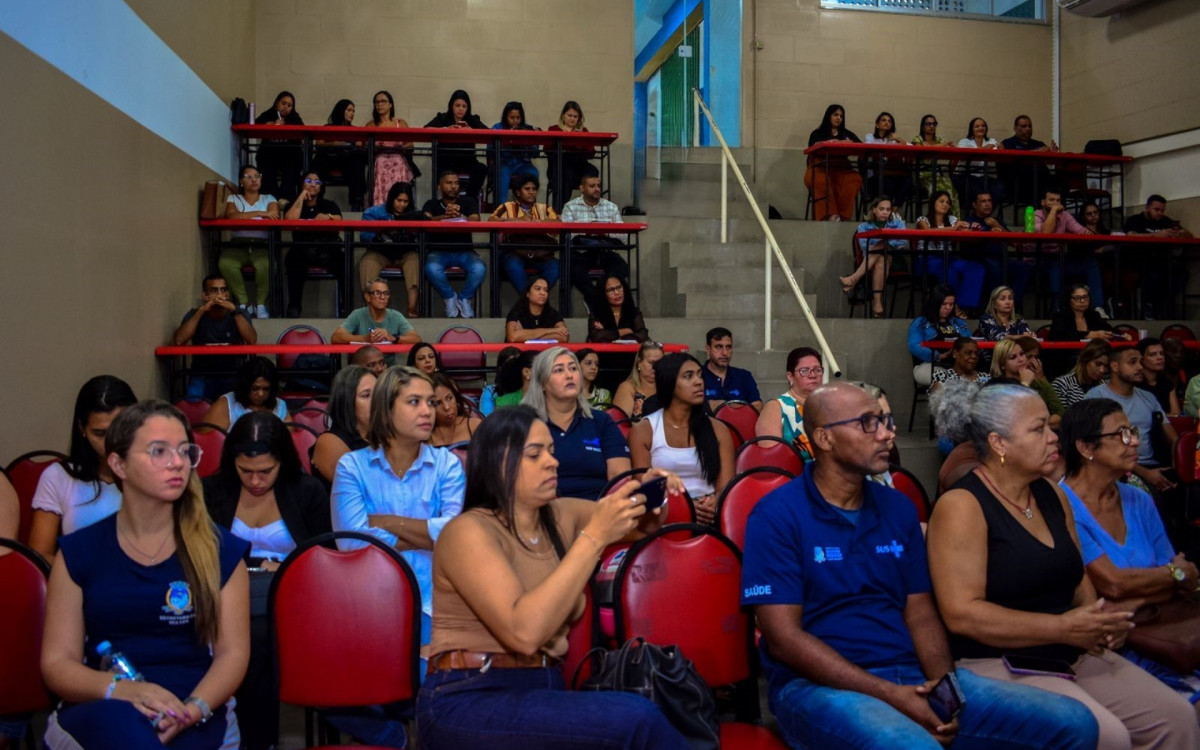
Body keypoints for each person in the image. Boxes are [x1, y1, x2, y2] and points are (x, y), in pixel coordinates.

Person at [741, 382, 1100, 750]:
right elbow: (784, 640)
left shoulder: (897, 508)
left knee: (1075, 723)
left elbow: (921, 615)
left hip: (909, 673)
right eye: (868, 423)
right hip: (816, 687)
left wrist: (946, 693)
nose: (886, 433)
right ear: (825, 438)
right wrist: (893, 697)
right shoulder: (776, 515)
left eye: (886, 420)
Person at [927, 384, 1198, 750]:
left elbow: (1076, 577)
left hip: (1071, 650)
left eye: (1049, 427)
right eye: (1038, 430)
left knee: (1176, 716)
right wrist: (1062, 627)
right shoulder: (963, 505)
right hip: (1000, 661)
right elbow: (963, 615)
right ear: (999, 443)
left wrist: (1098, 622)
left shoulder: (1052, 494)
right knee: (1109, 735)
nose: (1054, 438)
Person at [415, 406, 688, 750]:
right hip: (471, 694)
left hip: (543, 685)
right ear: (499, 462)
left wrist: (653, 492)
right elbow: (524, 633)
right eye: (534, 454)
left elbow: (642, 525)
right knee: (637, 718)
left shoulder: (561, 515)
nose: (552, 462)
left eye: (552, 451)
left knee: (638, 718)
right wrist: (593, 539)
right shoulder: (467, 531)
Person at [41, 400, 250, 750]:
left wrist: (193, 709)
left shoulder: (219, 550)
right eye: (159, 451)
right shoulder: (80, 552)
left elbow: (233, 655)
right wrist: (121, 690)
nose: (177, 462)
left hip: (192, 705)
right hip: (105, 701)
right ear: (118, 464)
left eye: (185, 451)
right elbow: (57, 664)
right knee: (125, 731)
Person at [201, 411, 332, 750]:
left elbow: (325, 555)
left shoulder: (306, 491)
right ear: (232, 463)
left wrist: (288, 567)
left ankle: (255, 740)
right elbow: (196, 552)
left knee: (256, 635)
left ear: (282, 462)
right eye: (246, 471)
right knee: (244, 632)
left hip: (290, 601)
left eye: (265, 472)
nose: (256, 481)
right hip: (224, 598)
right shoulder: (212, 491)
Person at [1059, 399, 1200, 706]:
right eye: (1121, 434)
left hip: (1162, 632)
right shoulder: (1062, 506)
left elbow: (1180, 579)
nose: (1134, 441)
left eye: (1133, 431)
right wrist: (1171, 576)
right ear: (1086, 448)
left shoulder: (1138, 498)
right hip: (1111, 648)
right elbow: (1112, 583)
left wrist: (1139, 596)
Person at [331, 366, 466, 660]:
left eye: (430, 402)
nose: (428, 411)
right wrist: (428, 534)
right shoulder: (351, 467)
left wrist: (386, 523)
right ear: (386, 409)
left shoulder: (448, 465)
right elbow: (351, 542)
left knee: (426, 690)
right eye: (414, 402)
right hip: (369, 604)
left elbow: (455, 537)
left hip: (435, 603)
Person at [29, 376, 137, 560]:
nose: (112, 441)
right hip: (82, 582)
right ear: (82, 429)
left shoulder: (154, 472)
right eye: (100, 434)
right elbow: (40, 554)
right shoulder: (58, 476)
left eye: (121, 429)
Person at [630, 353, 735, 524]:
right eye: (688, 376)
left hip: (710, 517)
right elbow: (645, 490)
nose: (698, 381)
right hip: (664, 517)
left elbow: (726, 488)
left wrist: (715, 504)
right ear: (669, 384)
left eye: (700, 375)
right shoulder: (644, 431)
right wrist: (683, 507)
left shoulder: (719, 430)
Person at [522, 347, 630, 501]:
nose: (569, 375)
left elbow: (620, 480)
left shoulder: (601, 421)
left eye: (573, 368)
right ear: (542, 383)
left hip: (599, 510)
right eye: (559, 370)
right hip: (544, 511)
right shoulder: (525, 423)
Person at [1085, 347, 1178, 494]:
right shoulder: (1096, 397)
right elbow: (1100, 447)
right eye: (1132, 362)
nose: (1140, 367)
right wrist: (1146, 474)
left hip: (1153, 465)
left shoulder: (1148, 397)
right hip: (1116, 468)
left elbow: (1173, 438)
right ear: (1115, 366)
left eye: (1140, 362)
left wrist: (1175, 469)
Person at [173, 274, 257, 401]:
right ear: (204, 295)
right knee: (193, 402)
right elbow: (179, 340)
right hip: (201, 373)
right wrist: (201, 311)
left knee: (237, 402)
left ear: (228, 295)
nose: (219, 295)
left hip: (231, 373)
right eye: (214, 290)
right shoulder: (194, 313)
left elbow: (251, 340)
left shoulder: (239, 313)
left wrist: (235, 311)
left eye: (223, 290)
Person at [559, 166, 630, 304]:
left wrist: (606, 231)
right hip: (582, 253)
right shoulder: (570, 207)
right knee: (573, 269)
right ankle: (595, 300)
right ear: (582, 188)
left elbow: (624, 236)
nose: (597, 189)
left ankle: (597, 299)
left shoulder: (611, 207)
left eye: (598, 185)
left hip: (605, 251)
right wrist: (588, 230)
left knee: (622, 269)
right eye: (592, 186)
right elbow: (565, 235)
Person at [1028, 188, 1105, 313]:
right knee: (1056, 264)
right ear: (1043, 202)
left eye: (1058, 200)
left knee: (1091, 263)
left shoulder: (1065, 215)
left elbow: (1081, 230)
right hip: (1036, 259)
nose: (1056, 203)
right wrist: (1053, 211)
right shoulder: (1034, 215)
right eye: (1051, 200)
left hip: (1058, 258)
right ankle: (1057, 309)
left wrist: (1087, 233)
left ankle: (1098, 307)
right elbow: (1046, 232)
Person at [422, 170, 486, 319]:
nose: (453, 186)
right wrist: (445, 217)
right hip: (438, 251)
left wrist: (460, 216)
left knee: (479, 268)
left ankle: (464, 298)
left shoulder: (468, 202)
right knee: (431, 268)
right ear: (439, 186)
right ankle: (450, 298)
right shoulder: (431, 204)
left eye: (456, 183)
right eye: (449, 183)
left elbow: (475, 220)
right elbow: (425, 221)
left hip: (464, 251)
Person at [220, 165, 279, 319]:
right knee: (226, 262)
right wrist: (260, 213)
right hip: (239, 243)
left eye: (257, 176)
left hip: (262, 244)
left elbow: (274, 215)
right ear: (241, 181)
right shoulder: (233, 198)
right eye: (249, 177)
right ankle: (244, 303)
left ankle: (260, 305)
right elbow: (232, 216)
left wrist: (246, 215)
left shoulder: (269, 198)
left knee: (265, 264)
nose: (254, 180)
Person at [360, 181, 424, 318]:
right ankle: (371, 309)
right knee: (367, 262)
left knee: (415, 261)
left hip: (405, 253)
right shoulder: (373, 212)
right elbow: (364, 236)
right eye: (399, 200)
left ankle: (412, 309)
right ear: (391, 199)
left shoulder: (415, 215)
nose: (402, 204)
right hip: (380, 252)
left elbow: (421, 236)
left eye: (405, 201)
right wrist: (383, 230)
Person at [1123, 195, 1194, 319]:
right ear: (1147, 208)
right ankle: (1149, 307)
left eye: (1162, 210)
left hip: (1163, 260)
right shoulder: (1135, 220)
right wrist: (1157, 236)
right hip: (1141, 259)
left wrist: (1180, 234)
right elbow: (1130, 235)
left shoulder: (1165, 221)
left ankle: (1165, 311)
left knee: (1181, 273)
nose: (1160, 213)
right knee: (1155, 274)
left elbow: (1190, 236)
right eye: (1156, 210)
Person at [283, 171, 343, 317]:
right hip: (303, 248)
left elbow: (340, 220)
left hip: (327, 248)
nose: (313, 185)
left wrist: (328, 217)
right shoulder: (293, 204)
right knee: (293, 259)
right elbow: (289, 221)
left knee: (343, 260)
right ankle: (294, 307)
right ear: (302, 184)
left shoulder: (329, 204)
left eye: (317, 182)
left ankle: (345, 306)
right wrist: (301, 198)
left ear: (321, 187)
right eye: (309, 181)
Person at [489, 174, 561, 296]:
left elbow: (558, 223)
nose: (531, 192)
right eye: (527, 189)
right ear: (518, 192)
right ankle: (530, 300)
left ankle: (535, 298)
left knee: (556, 266)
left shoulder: (544, 208)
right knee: (513, 264)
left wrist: (537, 222)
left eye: (534, 189)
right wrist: (517, 220)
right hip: (516, 253)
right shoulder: (507, 207)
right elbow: (491, 221)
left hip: (541, 255)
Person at [913, 191, 984, 313]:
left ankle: (963, 306)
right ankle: (953, 308)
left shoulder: (952, 220)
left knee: (975, 268)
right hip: (927, 259)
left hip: (949, 258)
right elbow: (928, 232)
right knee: (949, 272)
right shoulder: (922, 219)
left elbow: (964, 231)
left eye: (947, 202)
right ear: (932, 203)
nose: (945, 204)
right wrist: (954, 229)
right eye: (941, 201)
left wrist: (973, 228)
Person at [756, 347, 824, 462]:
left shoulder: (829, 405)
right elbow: (772, 460)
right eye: (804, 371)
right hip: (794, 476)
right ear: (790, 376)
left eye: (817, 369)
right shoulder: (776, 408)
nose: (813, 375)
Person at [311, 365, 374, 488]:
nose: (377, 400)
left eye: (379, 393)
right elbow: (367, 489)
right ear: (346, 401)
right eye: (366, 395)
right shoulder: (329, 442)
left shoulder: (387, 434)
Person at [962, 191, 1030, 306]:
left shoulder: (996, 221)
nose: (987, 204)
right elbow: (971, 239)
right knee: (994, 268)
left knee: (1023, 268)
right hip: (979, 258)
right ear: (974, 205)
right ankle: (994, 308)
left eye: (989, 201)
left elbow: (1013, 242)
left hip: (1000, 258)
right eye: (983, 201)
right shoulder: (969, 221)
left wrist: (996, 226)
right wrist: (988, 232)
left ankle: (1011, 305)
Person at [330, 278, 420, 363]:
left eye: (386, 293)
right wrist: (364, 339)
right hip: (362, 369)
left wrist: (394, 338)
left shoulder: (395, 316)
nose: (382, 297)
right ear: (368, 297)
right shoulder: (357, 314)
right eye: (377, 293)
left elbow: (416, 339)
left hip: (388, 371)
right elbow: (336, 337)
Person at [843, 196, 905, 318]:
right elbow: (866, 249)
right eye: (882, 209)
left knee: (881, 245)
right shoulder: (863, 227)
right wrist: (883, 245)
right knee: (880, 259)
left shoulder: (898, 224)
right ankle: (877, 302)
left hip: (895, 260)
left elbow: (902, 243)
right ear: (874, 209)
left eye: (888, 209)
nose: (885, 212)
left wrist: (886, 244)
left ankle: (854, 278)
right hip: (871, 262)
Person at [424, 89, 488, 199]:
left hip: (467, 160)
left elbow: (488, 133)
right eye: (457, 105)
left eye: (464, 106)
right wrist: (446, 129)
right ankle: (444, 202)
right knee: (439, 168)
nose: (461, 109)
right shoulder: (442, 118)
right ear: (451, 106)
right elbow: (426, 129)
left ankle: (469, 199)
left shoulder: (473, 119)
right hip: (446, 159)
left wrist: (471, 130)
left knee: (481, 168)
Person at [804, 104, 863, 222]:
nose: (839, 118)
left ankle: (843, 216)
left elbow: (860, 146)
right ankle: (831, 215)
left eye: (841, 116)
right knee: (820, 180)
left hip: (842, 167)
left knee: (854, 179)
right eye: (835, 115)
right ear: (828, 116)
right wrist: (830, 142)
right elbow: (812, 147)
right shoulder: (817, 133)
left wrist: (844, 143)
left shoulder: (847, 134)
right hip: (820, 166)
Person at [200, 356, 290, 431]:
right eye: (255, 388)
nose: (261, 394)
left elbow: (288, 445)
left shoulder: (280, 407)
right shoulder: (226, 404)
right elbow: (210, 443)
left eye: (266, 389)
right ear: (245, 386)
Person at [990, 338, 1064, 428]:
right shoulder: (996, 387)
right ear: (1002, 365)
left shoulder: (1041, 384)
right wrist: (1025, 384)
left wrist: (1035, 425)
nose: (1021, 359)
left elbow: (1060, 416)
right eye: (1013, 357)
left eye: (1022, 354)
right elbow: (1013, 419)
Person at [907, 286, 972, 387]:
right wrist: (939, 356)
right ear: (935, 303)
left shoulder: (959, 323)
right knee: (949, 379)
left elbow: (970, 343)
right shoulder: (921, 322)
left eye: (951, 304)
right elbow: (914, 346)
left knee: (978, 379)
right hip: (929, 365)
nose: (948, 308)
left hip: (957, 365)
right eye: (944, 304)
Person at [313, 98, 365, 211]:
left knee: (357, 162)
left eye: (353, 111)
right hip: (329, 158)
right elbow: (319, 144)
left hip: (347, 159)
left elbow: (359, 145)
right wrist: (335, 143)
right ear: (341, 110)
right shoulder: (327, 127)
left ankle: (356, 201)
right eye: (349, 110)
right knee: (318, 162)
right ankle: (317, 198)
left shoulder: (355, 130)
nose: (352, 114)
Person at [367, 90, 415, 208]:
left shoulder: (401, 123)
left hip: (398, 159)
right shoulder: (371, 125)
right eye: (377, 102)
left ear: (390, 104)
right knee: (379, 163)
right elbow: (365, 146)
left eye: (383, 101)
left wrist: (399, 147)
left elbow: (411, 145)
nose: (380, 104)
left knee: (399, 165)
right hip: (380, 160)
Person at [254, 90, 304, 200]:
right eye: (283, 103)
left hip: (289, 154)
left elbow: (302, 131)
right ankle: (270, 199)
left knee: (292, 169)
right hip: (270, 153)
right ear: (277, 103)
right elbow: (255, 124)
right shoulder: (269, 114)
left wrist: (286, 126)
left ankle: (285, 199)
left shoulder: (294, 117)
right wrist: (270, 124)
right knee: (266, 169)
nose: (285, 107)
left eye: (289, 105)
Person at [1001, 115, 1058, 208]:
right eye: (1024, 126)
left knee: (1061, 182)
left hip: (1042, 180)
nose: (1028, 129)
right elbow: (1015, 159)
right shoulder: (1008, 143)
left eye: (1029, 126)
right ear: (1015, 128)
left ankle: (1059, 215)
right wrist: (1038, 152)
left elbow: (1050, 162)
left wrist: (1054, 155)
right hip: (1019, 182)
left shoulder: (1038, 144)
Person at [490, 101, 540, 208]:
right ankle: (501, 209)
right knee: (502, 172)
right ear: (506, 117)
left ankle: (527, 208)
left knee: (532, 172)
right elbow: (490, 150)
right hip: (504, 163)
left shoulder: (528, 128)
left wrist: (529, 140)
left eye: (518, 118)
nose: (515, 121)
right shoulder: (497, 128)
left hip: (522, 164)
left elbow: (536, 153)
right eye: (512, 117)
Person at [547, 100, 594, 211]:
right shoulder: (554, 129)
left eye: (575, 116)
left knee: (593, 171)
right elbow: (547, 149)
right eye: (569, 115)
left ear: (579, 118)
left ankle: (589, 207)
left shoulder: (583, 130)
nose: (572, 119)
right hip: (560, 164)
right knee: (567, 172)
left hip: (579, 163)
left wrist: (580, 140)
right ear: (563, 115)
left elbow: (592, 152)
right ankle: (561, 209)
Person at [702, 326, 763, 411]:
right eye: (719, 347)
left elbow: (758, 406)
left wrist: (727, 406)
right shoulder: (698, 376)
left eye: (728, 347)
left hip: (739, 423)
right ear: (708, 349)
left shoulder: (744, 376)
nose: (725, 353)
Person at [910, 114, 959, 215]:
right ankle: (935, 217)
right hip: (921, 175)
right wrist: (943, 145)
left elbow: (948, 150)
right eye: (928, 124)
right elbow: (922, 152)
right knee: (936, 188)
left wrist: (944, 146)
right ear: (923, 126)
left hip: (935, 175)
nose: (932, 126)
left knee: (951, 189)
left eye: (934, 124)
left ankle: (953, 220)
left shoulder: (939, 139)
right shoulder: (918, 139)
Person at [861, 111, 912, 207]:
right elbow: (869, 148)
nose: (886, 122)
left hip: (893, 174)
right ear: (877, 124)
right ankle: (888, 211)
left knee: (908, 181)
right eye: (883, 120)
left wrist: (898, 139)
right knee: (888, 184)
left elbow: (910, 147)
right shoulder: (870, 137)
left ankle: (894, 208)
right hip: (875, 177)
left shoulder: (895, 140)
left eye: (889, 121)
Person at [955, 117, 1005, 206]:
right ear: (972, 129)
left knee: (999, 187)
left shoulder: (991, 141)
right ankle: (977, 215)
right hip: (965, 176)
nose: (981, 128)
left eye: (983, 126)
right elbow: (962, 155)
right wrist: (984, 149)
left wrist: (1001, 147)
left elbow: (998, 151)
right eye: (977, 126)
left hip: (984, 176)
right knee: (979, 191)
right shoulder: (964, 142)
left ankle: (986, 214)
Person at [586, 274, 648, 343]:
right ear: (603, 294)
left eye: (619, 287)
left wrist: (610, 334)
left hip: (628, 353)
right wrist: (626, 331)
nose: (617, 292)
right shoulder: (596, 314)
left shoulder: (634, 312)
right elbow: (597, 337)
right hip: (604, 353)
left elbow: (642, 336)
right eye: (611, 290)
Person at [505, 276, 568, 343]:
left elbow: (564, 337)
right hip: (522, 352)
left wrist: (525, 336)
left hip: (545, 352)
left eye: (546, 290)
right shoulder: (516, 313)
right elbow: (513, 337)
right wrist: (552, 330)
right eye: (538, 289)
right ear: (528, 293)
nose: (543, 293)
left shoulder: (553, 314)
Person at [1052, 339, 1112, 409]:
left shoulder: (1106, 386)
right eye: (1098, 364)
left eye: (1106, 366)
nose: (1102, 370)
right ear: (1085, 359)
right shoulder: (1062, 384)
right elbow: (1061, 418)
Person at [1048, 283, 1118, 342]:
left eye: (1085, 297)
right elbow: (1058, 336)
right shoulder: (1060, 316)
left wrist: (1122, 335)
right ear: (1069, 300)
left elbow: (1110, 330)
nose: (1082, 301)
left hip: (1093, 354)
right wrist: (1088, 335)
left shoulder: (1094, 315)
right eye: (1077, 298)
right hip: (1069, 355)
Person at [612, 340, 663, 421]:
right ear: (639, 363)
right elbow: (622, 425)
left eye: (660, 363)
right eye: (651, 362)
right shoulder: (627, 388)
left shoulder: (668, 388)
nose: (655, 367)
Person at [430, 372, 481, 447]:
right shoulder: (423, 434)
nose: (447, 407)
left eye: (449, 398)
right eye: (437, 403)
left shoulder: (476, 426)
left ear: (456, 398)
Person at [1137, 337, 1181, 414]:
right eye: (1153, 354)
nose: (1160, 358)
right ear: (1141, 358)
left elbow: (1176, 414)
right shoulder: (1133, 385)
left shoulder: (1167, 383)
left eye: (1162, 353)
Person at [481, 346, 523, 416]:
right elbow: (486, 420)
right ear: (500, 368)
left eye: (516, 366)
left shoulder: (528, 391)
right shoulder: (490, 391)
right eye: (509, 366)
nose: (513, 370)